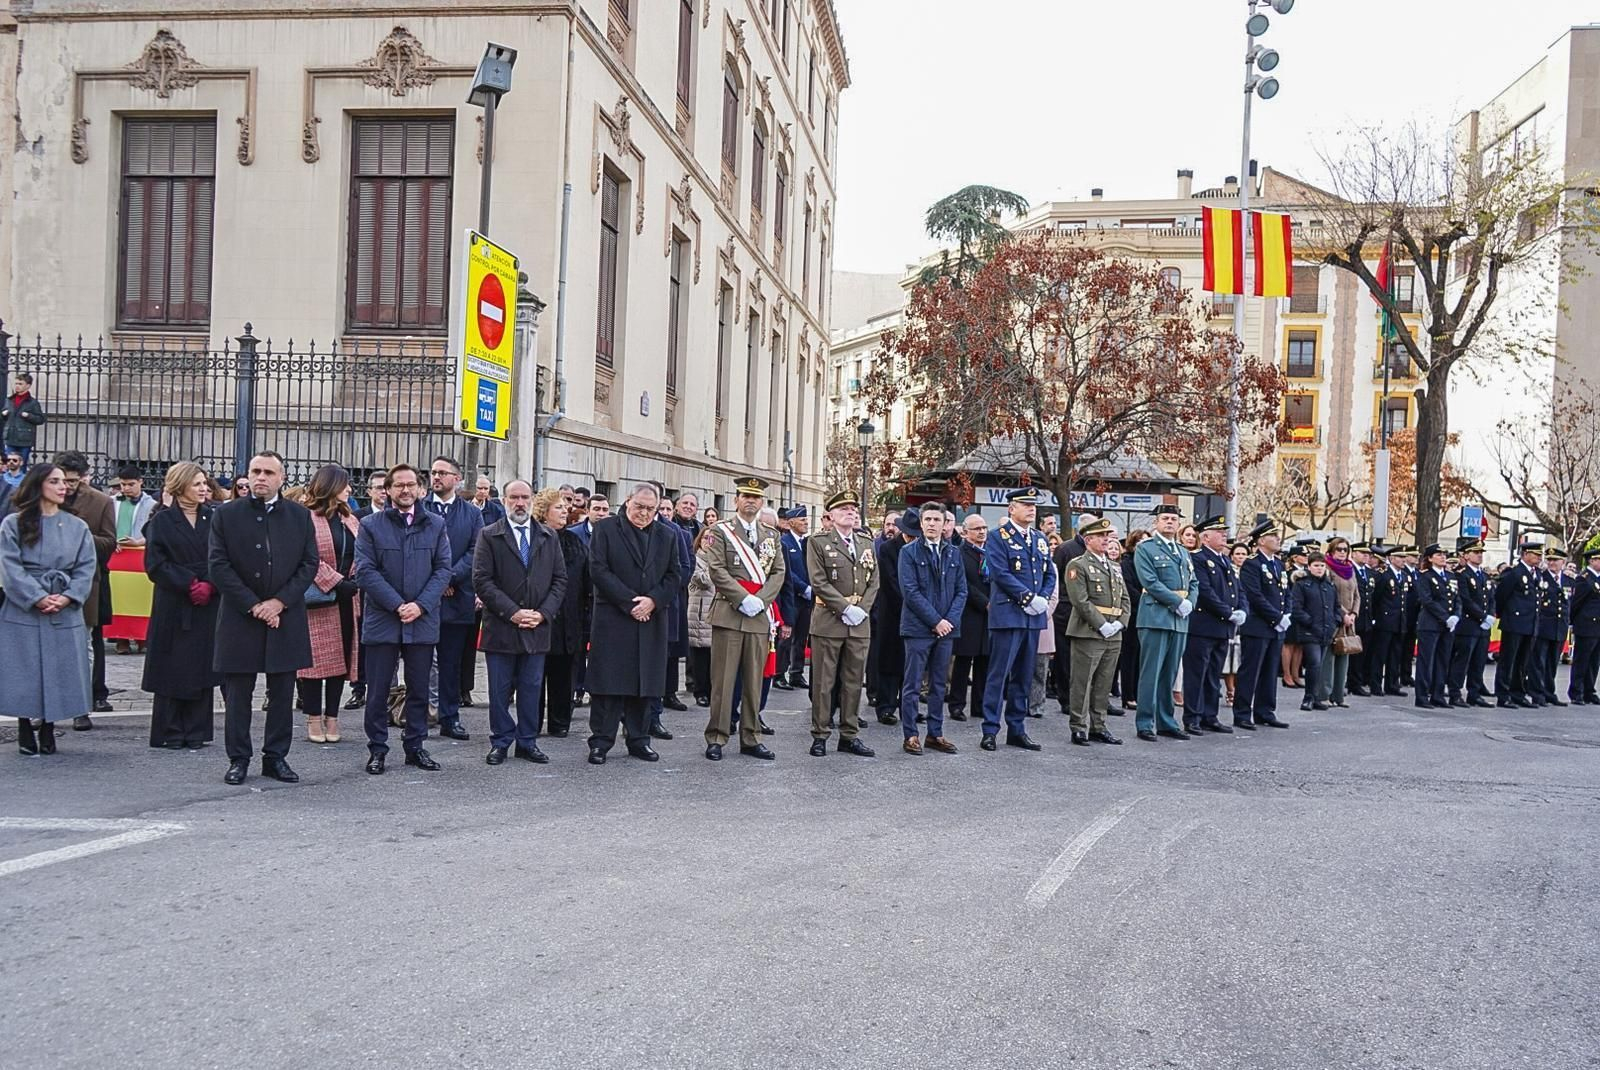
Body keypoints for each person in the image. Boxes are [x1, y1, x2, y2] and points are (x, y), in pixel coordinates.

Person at [208, 451, 319, 785]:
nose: (260, 477)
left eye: (268, 472)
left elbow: (308, 564)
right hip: (241, 617)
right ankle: (238, 758)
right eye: (255, 471)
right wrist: (255, 605)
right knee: (238, 694)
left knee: (282, 693)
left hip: (285, 617)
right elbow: (218, 564)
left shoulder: (299, 516)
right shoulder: (226, 515)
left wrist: (279, 603)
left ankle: (276, 757)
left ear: (281, 478)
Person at [354, 463, 452, 775]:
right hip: (384, 620)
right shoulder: (370, 525)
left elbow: (443, 570)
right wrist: (398, 605)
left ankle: (415, 747)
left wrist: (420, 606)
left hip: (421, 622)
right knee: (379, 690)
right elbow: (366, 571)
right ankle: (378, 749)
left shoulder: (435, 525)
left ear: (420, 489)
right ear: (389, 490)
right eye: (399, 486)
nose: (405, 491)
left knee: (419, 689)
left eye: (411, 485)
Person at [0, 464, 96, 756]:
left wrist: (68, 597)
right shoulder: (13, 524)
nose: (62, 486)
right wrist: (36, 596)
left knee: (60, 667)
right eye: (54, 481)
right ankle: (24, 724)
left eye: (64, 482)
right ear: (38, 484)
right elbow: (10, 566)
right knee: (24, 668)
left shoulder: (77, 527)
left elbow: (85, 567)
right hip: (23, 608)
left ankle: (49, 725)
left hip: (64, 608)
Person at [587, 483, 683, 764]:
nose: (643, 513)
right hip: (614, 617)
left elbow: (674, 574)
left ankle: (639, 739)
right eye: (639, 506)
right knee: (609, 683)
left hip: (650, 618)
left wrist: (652, 601)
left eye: (649, 509)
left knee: (645, 683)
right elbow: (598, 569)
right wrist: (630, 603)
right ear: (628, 502)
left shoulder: (667, 535)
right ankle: (601, 742)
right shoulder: (606, 529)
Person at [473, 480, 566, 766]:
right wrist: (512, 612)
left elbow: (560, 580)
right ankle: (500, 741)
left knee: (531, 687)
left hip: (537, 628)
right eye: (514, 497)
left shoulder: (548, 537)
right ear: (504, 500)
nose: (520, 503)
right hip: (502, 626)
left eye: (525, 497)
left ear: (532, 499)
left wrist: (543, 613)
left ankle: (527, 741)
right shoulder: (490, 535)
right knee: (499, 690)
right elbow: (481, 579)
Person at [702, 476, 786, 761]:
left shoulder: (771, 535)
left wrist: (760, 602)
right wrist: (743, 599)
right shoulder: (720, 531)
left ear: (762, 502)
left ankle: (751, 737)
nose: (751, 501)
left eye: (756, 497)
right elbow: (716, 569)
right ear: (736, 500)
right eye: (745, 496)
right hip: (729, 614)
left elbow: (778, 572)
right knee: (723, 682)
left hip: (759, 616)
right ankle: (717, 736)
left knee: (754, 681)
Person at [141, 462, 221, 749]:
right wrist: (188, 582)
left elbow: (225, 557)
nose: (203, 489)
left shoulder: (214, 518)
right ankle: (171, 730)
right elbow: (155, 564)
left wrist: (210, 583)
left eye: (205, 484)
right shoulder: (161, 521)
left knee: (201, 665)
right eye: (197, 484)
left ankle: (197, 730)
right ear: (180, 486)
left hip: (207, 602)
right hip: (174, 602)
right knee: (172, 666)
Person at [806, 489, 880, 756]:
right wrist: (845, 607)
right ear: (831, 515)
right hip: (829, 620)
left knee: (853, 681)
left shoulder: (865, 543)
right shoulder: (819, 542)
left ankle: (849, 734)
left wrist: (862, 609)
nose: (850, 512)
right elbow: (818, 581)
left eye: (853, 508)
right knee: (824, 682)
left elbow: (874, 581)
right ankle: (820, 734)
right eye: (843, 509)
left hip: (859, 622)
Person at [980, 488, 1054, 752]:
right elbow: (999, 572)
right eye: (1025, 505)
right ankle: (990, 729)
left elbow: (1049, 573)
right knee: (999, 675)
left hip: (1032, 618)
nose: (1031, 509)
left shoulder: (1039, 538)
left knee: (1024, 676)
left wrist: (1042, 598)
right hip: (1009, 614)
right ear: (1011, 509)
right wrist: (1027, 597)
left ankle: (1016, 728)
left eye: (1033, 505)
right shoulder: (997, 537)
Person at [296, 465, 362, 743]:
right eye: (345, 484)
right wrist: (335, 581)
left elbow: (362, 551)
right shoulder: (307, 518)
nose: (350, 489)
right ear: (331, 486)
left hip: (348, 600)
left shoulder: (350, 519)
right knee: (314, 664)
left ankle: (332, 718)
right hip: (319, 599)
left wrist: (354, 579)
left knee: (341, 661)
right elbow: (306, 556)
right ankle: (313, 718)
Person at [896, 502, 965, 755]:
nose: (932, 524)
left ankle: (935, 734)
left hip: (946, 630)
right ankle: (911, 734)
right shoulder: (909, 552)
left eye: (937, 519)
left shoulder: (954, 552)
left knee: (939, 684)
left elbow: (961, 591)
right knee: (913, 684)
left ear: (946, 523)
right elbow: (910, 592)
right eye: (928, 519)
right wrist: (936, 621)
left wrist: (948, 622)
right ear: (921, 523)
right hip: (918, 629)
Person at [424, 455, 483, 741]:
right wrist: (436, 582)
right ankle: (418, 716)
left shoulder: (471, 514)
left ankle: (449, 717)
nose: (436, 477)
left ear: (456, 479)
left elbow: (475, 551)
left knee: (450, 663)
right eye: (433, 472)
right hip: (423, 600)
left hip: (457, 597)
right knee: (418, 661)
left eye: (442, 473)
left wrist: (448, 578)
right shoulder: (420, 509)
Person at [56, 452, 117, 724]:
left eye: (72, 481)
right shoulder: (41, 498)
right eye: (61, 480)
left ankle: (81, 707)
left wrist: (78, 534)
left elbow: (108, 543)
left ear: (82, 477)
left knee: (84, 647)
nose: (66, 487)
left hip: (85, 584)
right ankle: (44, 707)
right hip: (48, 585)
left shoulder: (100, 502)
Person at [1062, 516, 1129, 746]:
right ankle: (1079, 726)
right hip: (1089, 631)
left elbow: (1125, 599)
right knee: (1082, 681)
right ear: (1087, 539)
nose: (1106, 540)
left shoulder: (1115, 566)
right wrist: (1102, 624)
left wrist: (1120, 622)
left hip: (1114, 632)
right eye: (1101, 536)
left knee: (1104, 682)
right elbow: (1080, 601)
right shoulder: (1078, 565)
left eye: (1107, 536)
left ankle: (1099, 725)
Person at [1132, 504, 1195, 741]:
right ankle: (1145, 722)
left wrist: (1189, 601)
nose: (1170, 522)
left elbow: (1194, 582)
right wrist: (1176, 602)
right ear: (1156, 523)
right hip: (1156, 616)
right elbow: (1150, 581)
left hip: (1179, 619)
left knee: (1169, 674)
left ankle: (1167, 721)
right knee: (1151, 673)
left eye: (1174, 519)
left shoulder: (1182, 551)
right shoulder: (1146, 549)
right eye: (1165, 518)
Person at [533, 486, 590, 737]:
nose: (565, 510)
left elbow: (587, 579)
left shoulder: (574, 540)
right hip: (540, 619)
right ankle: (531, 723)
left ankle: (560, 722)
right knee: (534, 677)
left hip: (570, 620)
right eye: (559, 506)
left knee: (564, 674)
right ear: (544, 512)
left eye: (567, 506)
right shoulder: (534, 538)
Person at [1182, 515, 1243, 735]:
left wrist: (1242, 609)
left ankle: (1210, 715)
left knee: (1214, 674)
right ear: (1205, 537)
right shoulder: (1198, 558)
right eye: (1219, 532)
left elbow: (1237, 589)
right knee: (1196, 674)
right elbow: (1205, 592)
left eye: (1224, 532)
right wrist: (1228, 612)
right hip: (1203, 625)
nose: (1224, 535)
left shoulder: (1225, 559)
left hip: (1222, 627)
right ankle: (1192, 717)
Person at [1235, 520, 1291, 730]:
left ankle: (1265, 711)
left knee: (1269, 671)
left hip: (1276, 628)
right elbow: (1255, 596)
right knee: (1251, 671)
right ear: (1261, 540)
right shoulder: (1252, 564)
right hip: (1258, 626)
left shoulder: (1278, 564)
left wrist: (1287, 614)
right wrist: (1276, 617)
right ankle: (1242, 713)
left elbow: (1287, 593)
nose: (1278, 539)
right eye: (1273, 536)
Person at [870, 510, 916, 724]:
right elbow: (890, 582)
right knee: (889, 662)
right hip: (892, 613)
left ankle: (908, 707)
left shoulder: (920, 547)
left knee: (910, 664)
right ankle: (886, 706)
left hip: (916, 616)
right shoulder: (888, 549)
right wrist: (912, 603)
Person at [947, 513, 990, 723]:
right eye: (977, 528)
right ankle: (956, 705)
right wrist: (984, 602)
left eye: (984, 528)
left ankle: (979, 705)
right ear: (965, 532)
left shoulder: (991, 552)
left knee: (985, 660)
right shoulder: (959, 553)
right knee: (963, 661)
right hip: (969, 613)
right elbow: (963, 583)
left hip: (990, 616)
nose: (982, 531)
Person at [1493, 541, 1543, 708]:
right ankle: (1503, 693)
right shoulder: (1514, 573)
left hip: (1530, 623)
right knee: (1508, 660)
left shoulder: (1536, 574)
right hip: (1514, 623)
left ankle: (1518, 693)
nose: (1538, 557)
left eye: (1539, 555)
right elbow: (1501, 596)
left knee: (1523, 661)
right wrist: (1505, 616)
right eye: (1535, 554)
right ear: (1525, 554)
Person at [1289, 550, 1339, 711]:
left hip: (1326, 630)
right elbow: (1296, 608)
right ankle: (1308, 697)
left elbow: (1335, 607)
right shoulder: (1302, 584)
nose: (1319, 569)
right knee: (1314, 663)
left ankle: (1315, 696)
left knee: (1320, 664)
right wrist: (1310, 622)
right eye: (1316, 566)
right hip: (1310, 631)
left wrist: (1335, 621)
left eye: (1322, 566)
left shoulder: (1329, 585)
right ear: (1309, 567)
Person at [1412, 543, 1460, 709]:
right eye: (1438, 554)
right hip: (1430, 624)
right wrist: (1445, 617)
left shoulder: (1451, 576)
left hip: (1448, 625)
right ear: (1430, 558)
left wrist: (1456, 616)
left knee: (1443, 660)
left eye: (1444, 554)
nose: (1443, 557)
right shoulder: (1425, 576)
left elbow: (1456, 599)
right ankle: (1422, 696)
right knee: (1426, 661)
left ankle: (1438, 694)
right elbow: (1427, 600)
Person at [1448, 539, 1494, 708]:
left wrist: (1490, 615)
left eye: (1481, 553)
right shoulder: (1462, 575)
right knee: (1462, 661)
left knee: (1479, 661)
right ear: (1466, 555)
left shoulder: (1484, 575)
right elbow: (1465, 599)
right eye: (1476, 553)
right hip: (1469, 624)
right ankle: (1455, 692)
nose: (1480, 555)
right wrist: (1482, 616)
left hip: (1482, 627)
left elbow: (1490, 598)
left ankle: (1474, 693)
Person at [1320, 537, 1362, 709]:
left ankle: (1339, 695)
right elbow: (1331, 596)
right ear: (1331, 551)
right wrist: (1344, 613)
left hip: (1349, 620)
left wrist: (1354, 613)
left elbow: (1357, 595)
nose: (1342, 553)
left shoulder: (1350, 569)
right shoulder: (1327, 569)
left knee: (1344, 655)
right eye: (1339, 549)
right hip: (1334, 618)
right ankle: (1324, 694)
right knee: (1329, 658)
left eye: (1345, 549)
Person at [775, 506, 812, 690]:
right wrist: (804, 588)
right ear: (790, 523)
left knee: (801, 638)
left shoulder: (807, 543)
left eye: (806, 519)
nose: (806, 522)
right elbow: (788, 572)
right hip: (792, 597)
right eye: (802, 519)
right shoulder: (785, 542)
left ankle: (797, 672)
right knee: (786, 637)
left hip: (807, 598)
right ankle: (779, 673)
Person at [1531, 548, 1572, 706]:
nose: (1552, 563)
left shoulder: (1568, 580)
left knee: (1552, 663)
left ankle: (1549, 691)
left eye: (1556, 560)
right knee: (1538, 662)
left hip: (1559, 627)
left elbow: (1569, 603)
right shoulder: (1541, 578)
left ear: (1563, 562)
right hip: (1544, 625)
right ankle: (1537, 692)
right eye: (1550, 560)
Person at [1368, 545, 1410, 697]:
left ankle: (1392, 684)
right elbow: (1376, 598)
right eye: (1400, 557)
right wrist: (1375, 618)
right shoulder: (1383, 576)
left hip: (1399, 621)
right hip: (1385, 621)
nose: (1403, 560)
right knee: (1380, 655)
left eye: (1404, 558)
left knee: (1395, 655)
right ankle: (1376, 684)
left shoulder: (1404, 576)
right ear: (1391, 559)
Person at [1116, 530, 1149, 713]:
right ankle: (1128, 695)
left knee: (1142, 657)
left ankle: (1138, 693)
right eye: (1140, 542)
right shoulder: (1127, 562)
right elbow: (1128, 587)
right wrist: (1147, 600)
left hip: (1148, 614)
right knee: (1130, 655)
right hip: (1134, 612)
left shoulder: (1148, 562)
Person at [686, 526, 716, 707]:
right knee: (700, 656)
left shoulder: (719, 560)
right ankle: (700, 691)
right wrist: (716, 564)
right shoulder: (695, 559)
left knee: (714, 657)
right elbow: (703, 580)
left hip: (715, 612)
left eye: (713, 539)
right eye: (706, 538)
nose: (708, 542)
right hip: (699, 614)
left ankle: (712, 690)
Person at [1568, 547, 1600, 705]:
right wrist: (1573, 622)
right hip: (1586, 625)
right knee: (1582, 660)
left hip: (1598, 626)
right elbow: (1576, 604)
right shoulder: (1584, 579)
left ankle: (1589, 690)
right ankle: (1576, 691)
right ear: (1592, 561)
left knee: (1594, 661)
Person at [1347, 542, 1377, 696]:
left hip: (1366, 617)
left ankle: (1357, 681)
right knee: (1350, 652)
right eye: (1362, 553)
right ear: (1353, 554)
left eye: (1368, 554)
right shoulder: (1348, 569)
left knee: (1361, 652)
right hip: (1352, 616)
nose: (1366, 556)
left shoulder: (1369, 572)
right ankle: (1350, 681)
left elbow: (1373, 597)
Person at [1222, 541, 1249, 704]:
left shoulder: (1251, 571)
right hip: (1230, 616)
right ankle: (1230, 690)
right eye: (1237, 554)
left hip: (1246, 617)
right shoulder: (1228, 569)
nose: (1240, 557)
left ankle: (1240, 690)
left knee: (1241, 658)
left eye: (1243, 554)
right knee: (1229, 657)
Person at [2, 373, 46, 467]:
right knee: (9, 464)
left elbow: (41, 419)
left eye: (20, 384)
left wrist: (28, 416)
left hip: (24, 440)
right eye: (16, 383)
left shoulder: (32, 402)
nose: (17, 386)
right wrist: (3, 414)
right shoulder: (9, 400)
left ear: (28, 386)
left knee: (22, 465)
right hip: (10, 437)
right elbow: (3, 416)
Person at [112, 466, 157, 546]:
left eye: (131, 484)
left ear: (140, 482)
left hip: (139, 551)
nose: (126, 488)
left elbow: (156, 533)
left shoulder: (151, 505)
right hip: (114, 550)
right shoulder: (111, 501)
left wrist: (138, 542)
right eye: (123, 484)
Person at [0, 450, 24, 516]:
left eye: (14, 460)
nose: (11, 462)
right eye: (9, 460)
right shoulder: (2, 477)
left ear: (21, 463)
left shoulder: (26, 479)